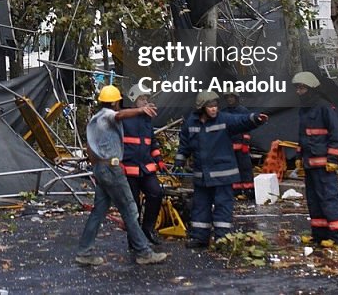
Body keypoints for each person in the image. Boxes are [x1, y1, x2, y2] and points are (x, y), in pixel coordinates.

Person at [75, 85, 168, 266]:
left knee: (99, 211)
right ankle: (144, 252)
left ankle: (84, 252)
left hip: (101, 168)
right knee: (129, 209)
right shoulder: (107, 115)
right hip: (111, 169)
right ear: (116, 102)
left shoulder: (95, 119)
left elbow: (89, 148)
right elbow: (119, 115)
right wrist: (141, 109)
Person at [174, 90, 267, 248]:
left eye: (215, 106)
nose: (214, 109)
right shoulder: (191, 123)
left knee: (223, 207)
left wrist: (255, 119)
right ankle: (199, 238)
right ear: (202, 107)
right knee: (200, 207)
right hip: (202, 176)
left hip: (223, 175)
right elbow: (184, 143)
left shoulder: (223, 119)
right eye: (210, 106)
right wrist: (179, 162)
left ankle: (222, 240)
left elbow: (240, 121)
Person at [292, 71, 338, 247]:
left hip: (324, 165)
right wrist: (299, 156)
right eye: (297, 88)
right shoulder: (304, 110)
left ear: (311, 89)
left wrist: (333, 159)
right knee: (314, 200)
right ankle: (319, 235)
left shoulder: (325, 107)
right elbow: (302, 135)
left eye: (301, 88)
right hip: (310, 164)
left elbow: (335, 135)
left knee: (329, 199)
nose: (299, 92)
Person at [121, 91, 165, 246]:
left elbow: (151, 142)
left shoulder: (147, 119)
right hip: (128, 169)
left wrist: (158, 159)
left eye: (147, 99)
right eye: (142, 99)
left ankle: (148, 228)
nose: (146, 102)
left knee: (156, 193)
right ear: (133, 101)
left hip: (145, 168)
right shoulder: (123, 117)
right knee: (133, 206)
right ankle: (134, 238)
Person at [221, 92, 255, 200]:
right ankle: (235, 192)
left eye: (232, 97)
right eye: (228, 97)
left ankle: (248, 192)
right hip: (229, 147)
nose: (230, 99)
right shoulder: (223, 113)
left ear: (236, 98)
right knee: (232, 170)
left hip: (242, 148)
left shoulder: (243, 111)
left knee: (245, 169)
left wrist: (245, 143)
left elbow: (247, 128)